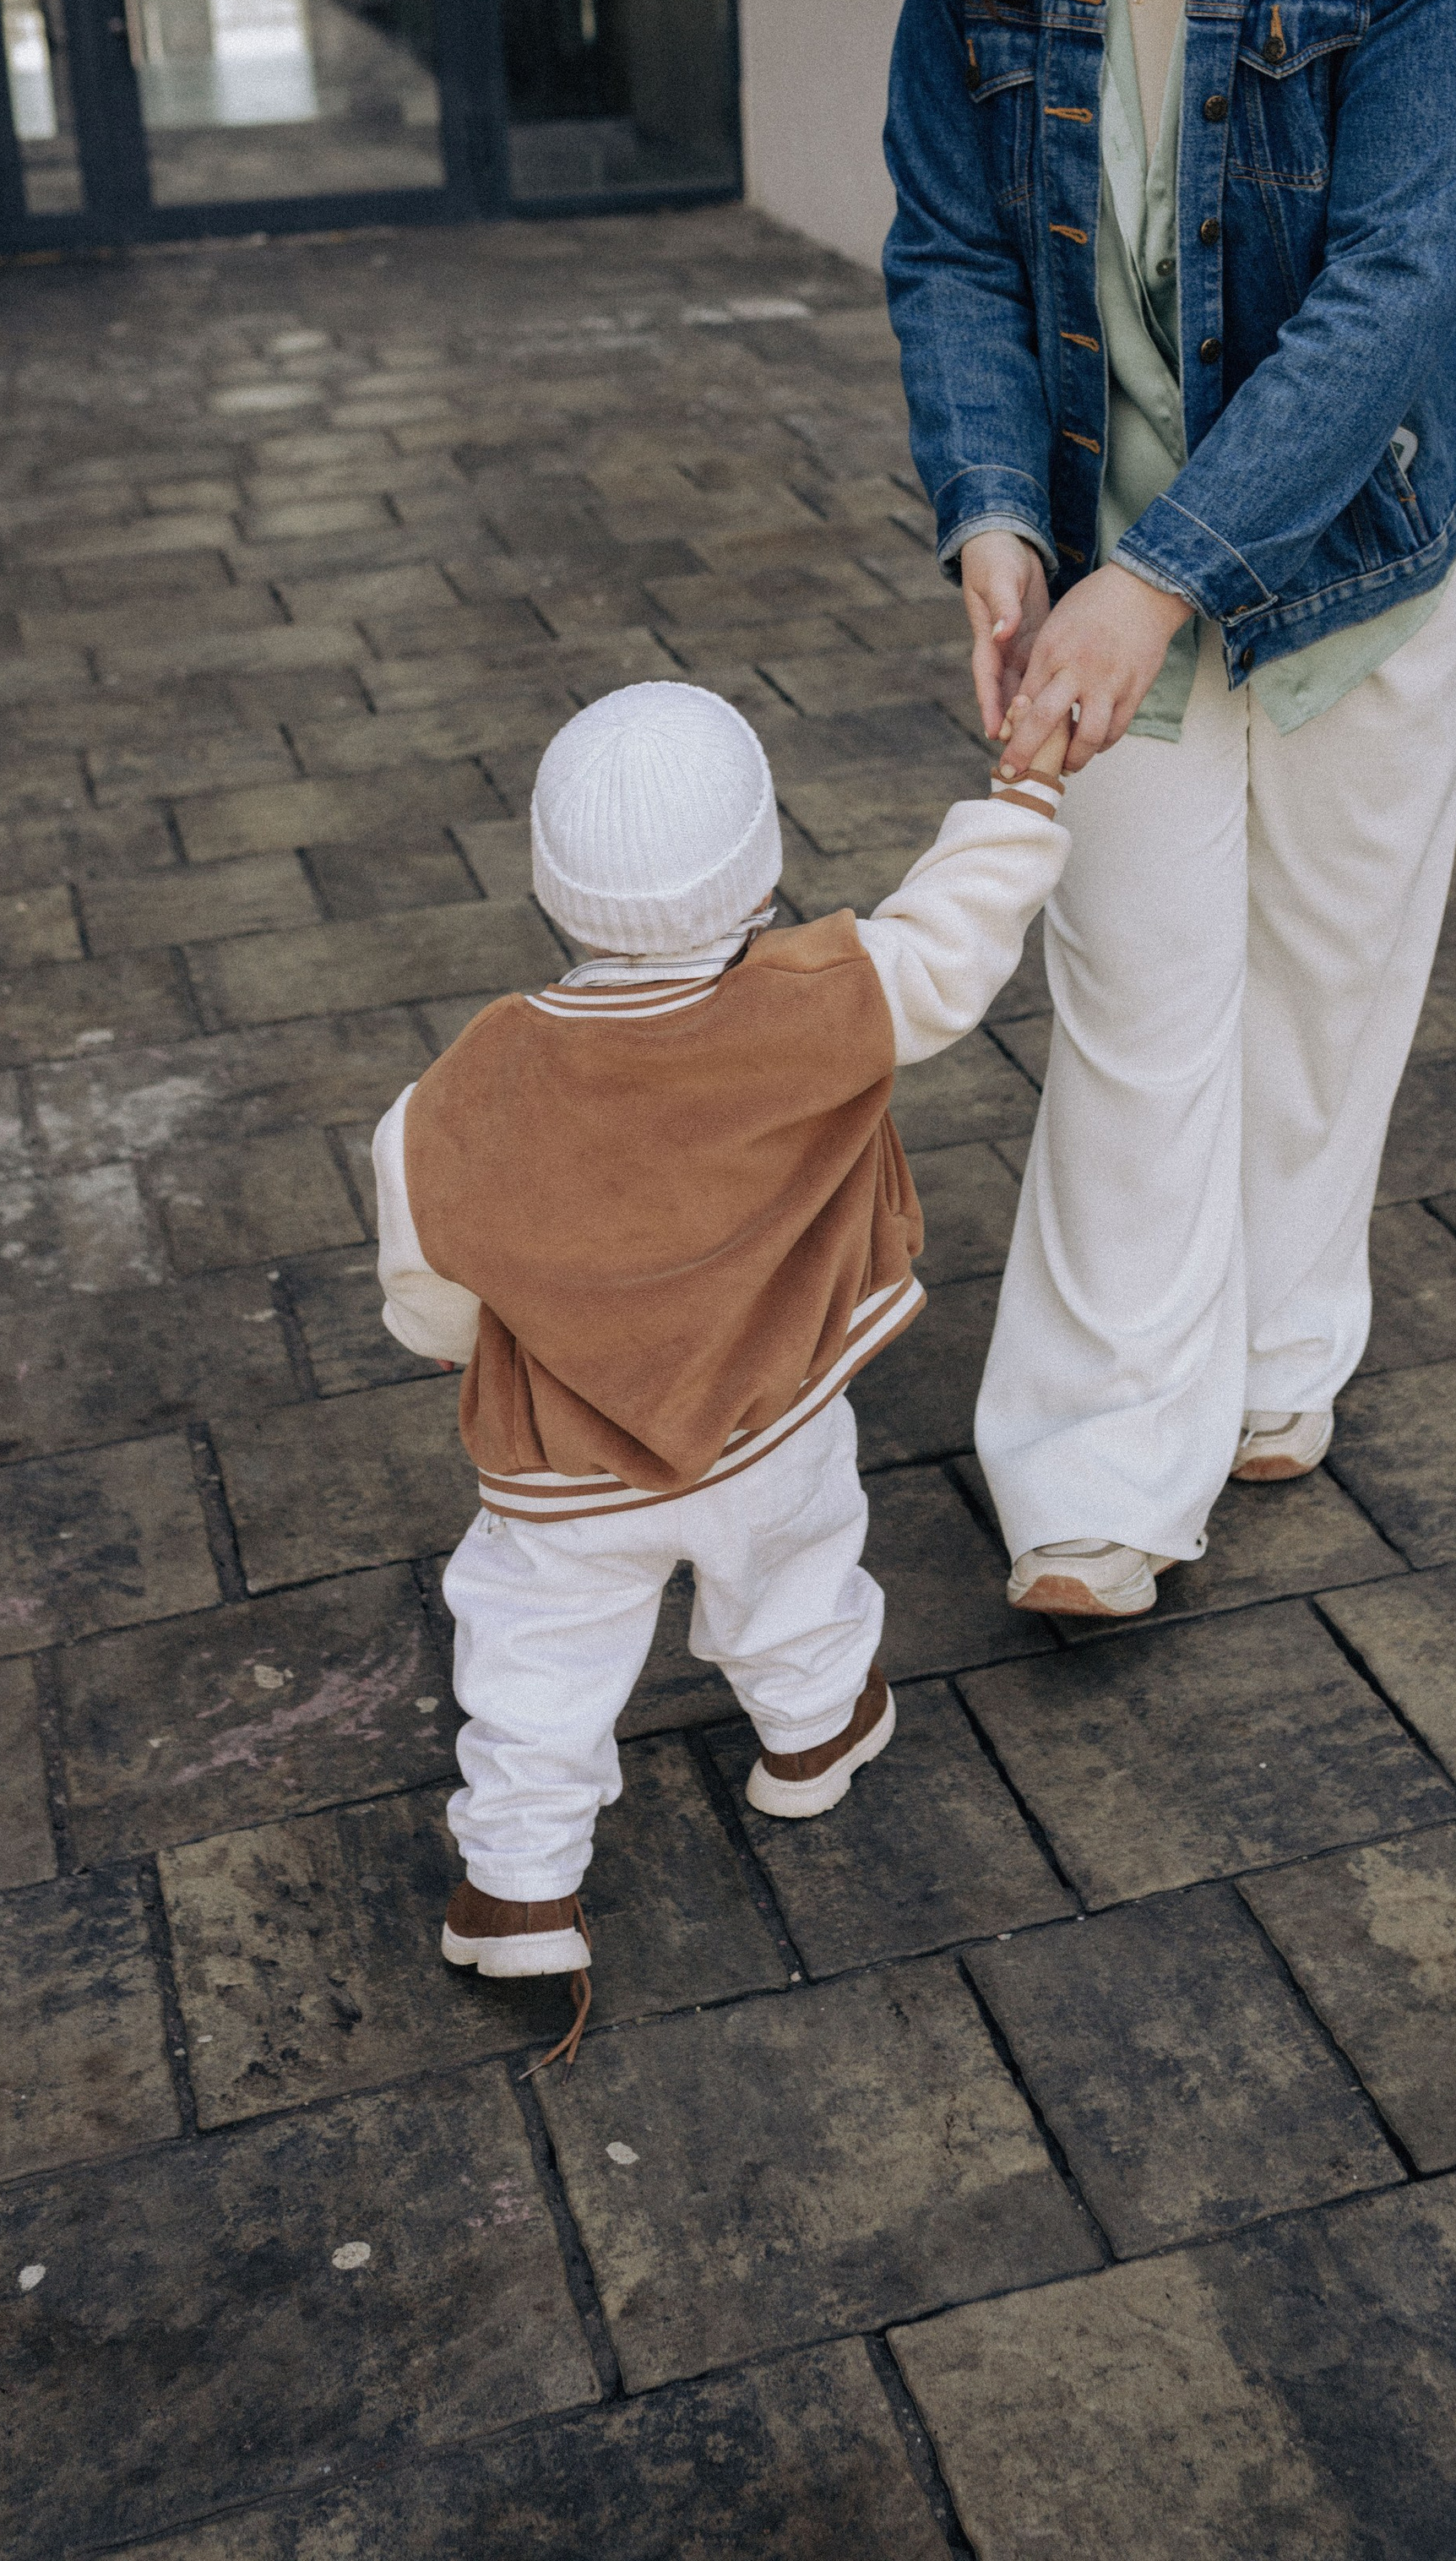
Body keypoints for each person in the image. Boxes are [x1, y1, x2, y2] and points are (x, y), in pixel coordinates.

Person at [791, 0, 1456, 1621]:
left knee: (1326, 970)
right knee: (1135, 974)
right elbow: (947, 236)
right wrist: (997, 527)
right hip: (1103, 532)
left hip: (1370, 519)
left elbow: (1399, 279)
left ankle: (1281, 1355)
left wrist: (1164, 577)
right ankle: (1103, 1474)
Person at [372, 678, 1068, 2055]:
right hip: (772, 1417)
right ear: (762, 873)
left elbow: (430, 1293)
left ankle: (518, 1887)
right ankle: (815, 1737)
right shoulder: (822, 1001)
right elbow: (953, 935)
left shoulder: (453, 1096)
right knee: (794, 1571)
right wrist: (1026, 798)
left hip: (565, 1471)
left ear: (550, 884)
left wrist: (490, 1345)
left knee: (535, 1663)